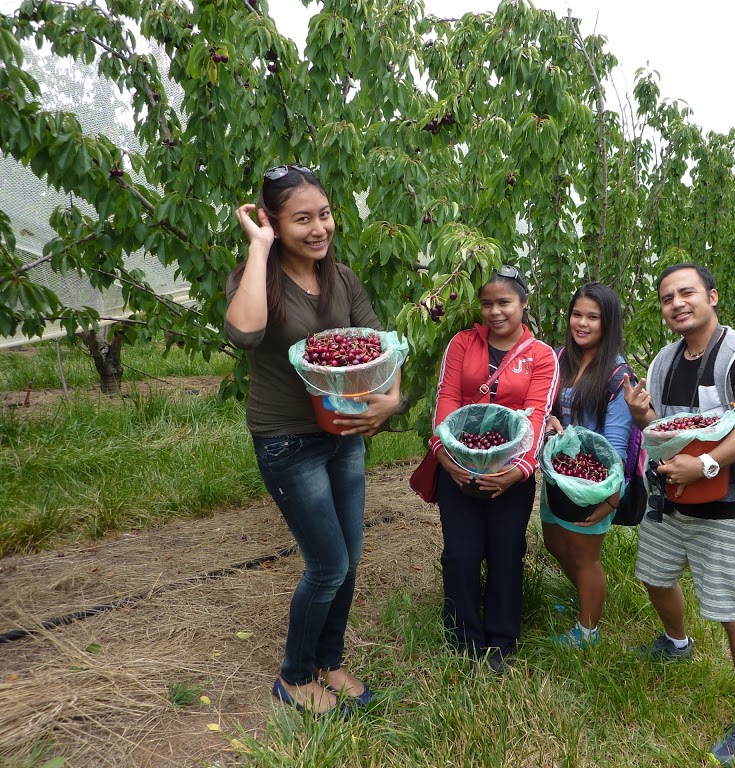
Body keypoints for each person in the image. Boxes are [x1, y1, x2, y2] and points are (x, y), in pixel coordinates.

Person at [225, 164, 402, 716]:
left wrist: (391, 399)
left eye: (324, 214)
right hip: (286, 440)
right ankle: (295, 675)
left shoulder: (342, 278)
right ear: (274, 223)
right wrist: (258, 249)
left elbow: (382, 343)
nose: (319, 228)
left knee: (349, 555)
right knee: (326, 563)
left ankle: (329, 659)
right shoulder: (255, 276)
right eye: (302, 219)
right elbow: (245, 332)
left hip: (344, 433)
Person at [623, 263, 735, 766]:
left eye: (686, 293)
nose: (677, 303)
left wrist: (706, 463)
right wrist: (644, 413)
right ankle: (676, 641)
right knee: (654, 575)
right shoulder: (665, 361)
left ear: (712, 296)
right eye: (667, 298)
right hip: (671, 501)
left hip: (726, 507)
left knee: (734, 612)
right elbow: (667, 426)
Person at [429, 265, 559, 673]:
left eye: (504, 302)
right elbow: (446, 398)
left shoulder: (541, 356)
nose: (495, 312)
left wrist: (519, 471)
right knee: (461, 554)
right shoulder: (462, 344)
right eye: (487, 303)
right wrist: (445, 457)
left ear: (523, 304)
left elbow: (537, 414)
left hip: (511, 473)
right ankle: (463, 636)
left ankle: (502, 639)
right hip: (460, 466)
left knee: (507, 552)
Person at [541, 282, 632, 648]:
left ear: (608, 323)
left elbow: (616, 445)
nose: (582, 323)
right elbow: (543, 404)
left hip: (593, 482)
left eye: (592, 317)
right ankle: (584, 598)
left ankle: (588, 631)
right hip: (558, 475)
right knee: (554, 542)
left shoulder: (617, 375)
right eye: (577, 314)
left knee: (585, 555)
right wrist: (547, 419)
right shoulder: (560, 358)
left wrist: (610, 497)